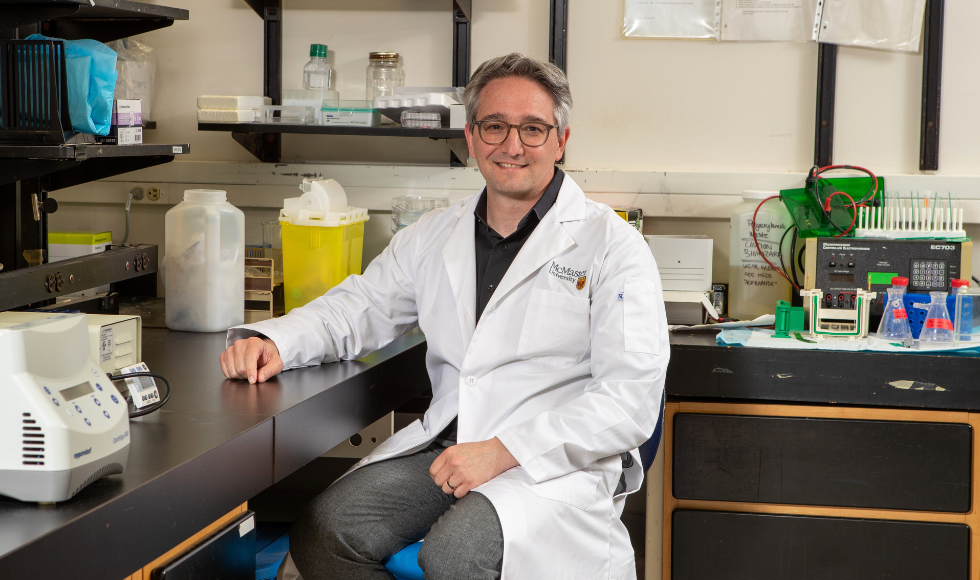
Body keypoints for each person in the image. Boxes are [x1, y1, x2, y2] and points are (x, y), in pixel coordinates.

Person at [220, 52, 669, 580]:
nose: (512, 145)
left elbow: (629, 400)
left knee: (455, 555)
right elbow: (359, 307)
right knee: (326, 531)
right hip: (449, 447)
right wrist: (275, 340)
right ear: (471, 136)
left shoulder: (612, 246)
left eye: (533, 129)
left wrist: (503, 450)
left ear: (560, 141)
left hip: (548, 462)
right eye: (495, 126)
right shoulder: (435, 236)